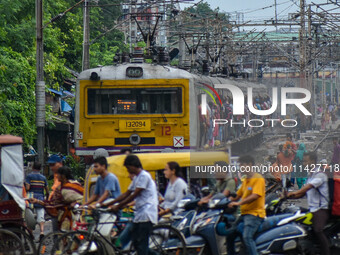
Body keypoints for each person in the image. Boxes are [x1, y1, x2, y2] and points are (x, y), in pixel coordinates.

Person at [107, 154, 158, 255]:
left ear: (133, 165)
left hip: (147, 214)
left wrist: (118, 206)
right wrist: (110, 203)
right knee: (136, 243)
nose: (127, 170)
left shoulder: (144, 176)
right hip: (139, 214)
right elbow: (126, 193)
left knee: (142, 245)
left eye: (128, 167)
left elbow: (134, 195)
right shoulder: (136, 179)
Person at [287, 152, 330, 255]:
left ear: (313, 162)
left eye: (306, 161)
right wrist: (286, 197)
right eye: (303, 161)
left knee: (318, 230)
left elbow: (307, 187)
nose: (304, 163)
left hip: (321, 209)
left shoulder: (319, 175)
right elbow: (302, 193)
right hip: (312, 208)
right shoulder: (310, 176)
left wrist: (294, 192)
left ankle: (326, 252)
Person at [226, 155, 266, 255]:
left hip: (254, 215)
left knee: (247, 237)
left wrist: (239, 203)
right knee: (230, 234)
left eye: (242, 164)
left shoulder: (258, 179)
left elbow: (255, 196)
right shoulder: (246, 180)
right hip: (245, 214)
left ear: (249, 164)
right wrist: (227, 201)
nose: (240, 167)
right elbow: (237, 195)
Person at [30, 166, 84, 231]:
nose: (56, 176)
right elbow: (54, 203)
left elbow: (83, 197)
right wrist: (37, 201)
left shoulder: (72, 186)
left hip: (72, 216)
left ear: (63, 176)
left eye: (58, 174)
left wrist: (75, 202)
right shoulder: (60, 187)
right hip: (60, 215)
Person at [25, 162, 49, 241]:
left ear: (32, 168)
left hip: (31, 198)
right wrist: (47, 199)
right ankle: (41, 232)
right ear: (40, 169)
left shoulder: (29, 176)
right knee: (41, 216)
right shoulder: (43, 178)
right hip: (40, 198)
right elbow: (47, 190)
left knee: (29, 217)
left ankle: (31, 233)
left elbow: (27, 188)